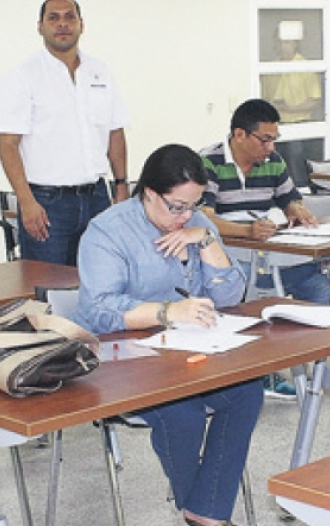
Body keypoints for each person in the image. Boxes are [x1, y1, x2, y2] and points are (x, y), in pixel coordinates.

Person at [73, 144, 258, 526]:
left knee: (247, 390)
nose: (185, 215)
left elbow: (231, 295)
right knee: (182, 411)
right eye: (176, 207)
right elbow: (99, 310)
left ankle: (201, 510)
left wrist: (204, 240)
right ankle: (206, 514)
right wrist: (165, 312)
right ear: (149, 193)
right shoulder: (107, 232)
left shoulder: (196, 225)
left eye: (194, 205)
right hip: (124, 362)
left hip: (187, 355)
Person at [199, 99, 330, 397]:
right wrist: (246, 231)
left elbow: (290, 199)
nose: (271, 147)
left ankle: (314, 366)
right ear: (239, 135)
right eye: (265, 139)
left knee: (316, 284)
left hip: (266, 251)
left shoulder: (273, 162)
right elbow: (203, 220)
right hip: (227, 257)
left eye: (275, 139)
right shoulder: (208, 162)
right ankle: (259, 372)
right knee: (254, 284)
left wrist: (298, 211)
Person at [0, 0, 131, 266]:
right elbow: (7, 145)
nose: (62, 24)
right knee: (49, 288)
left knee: (99, 281)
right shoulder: (24, 76)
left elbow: (114, 132)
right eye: (53, 18)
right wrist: (27, 202)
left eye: (69, 17)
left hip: (97, 198)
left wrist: (121, 186)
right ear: (40, 27)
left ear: (81, 24)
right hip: (47, 204)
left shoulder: (100, 71)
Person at [263, 21, 322, 124]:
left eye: (286, 42)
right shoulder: (269, 68)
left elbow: (315, 101)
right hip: (274, 124)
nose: (282, 46)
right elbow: (264, 99)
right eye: (279, 42)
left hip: (300, 124)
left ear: (295, 44)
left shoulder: (306, 68)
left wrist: (291, 109)